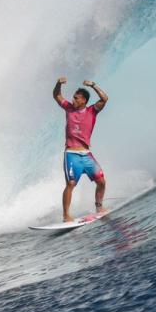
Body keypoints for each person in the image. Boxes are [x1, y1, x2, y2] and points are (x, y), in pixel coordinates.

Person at [53, 77, 108, 222]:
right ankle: (66, 215)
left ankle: (99, 207)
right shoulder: (68, 108)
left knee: (101, 182)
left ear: (84, 100)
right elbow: (57, 96)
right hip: (71, 154)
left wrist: (93, 85)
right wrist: (58, 84)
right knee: (71, 184)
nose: (73, 100)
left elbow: (104, 98)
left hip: (86, 154)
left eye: (76, 98)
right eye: (73, 97)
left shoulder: (92, 111)